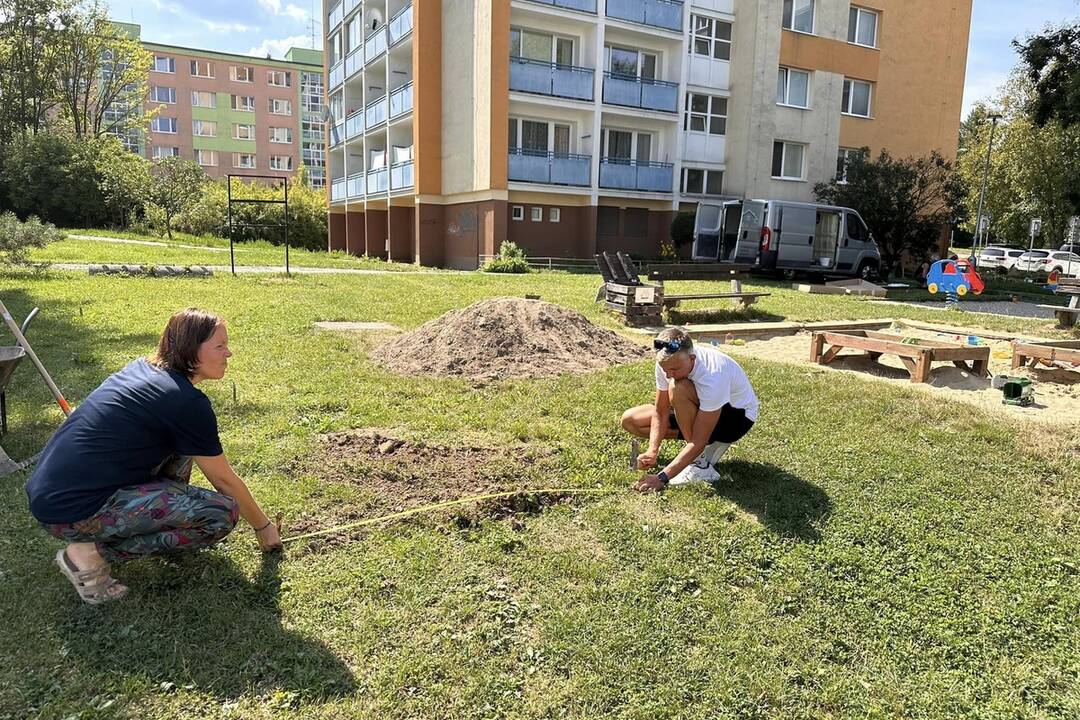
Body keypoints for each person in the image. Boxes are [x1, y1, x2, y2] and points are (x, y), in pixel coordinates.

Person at [26, 308, 282, 604]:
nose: (229, 353)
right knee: (220, 514)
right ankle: (88, 552)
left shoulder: (144, 368)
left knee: (185, 448)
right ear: (190, 351)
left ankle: (162, 523)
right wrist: (263, 527)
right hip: (71, 512)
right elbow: (223, 480)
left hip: (52, 493)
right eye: (220, 346)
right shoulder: (186, 403)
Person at [621, 327, 759, 493]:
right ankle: (695, 450)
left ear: (692, 358)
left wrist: (661, 478)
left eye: (674, 370)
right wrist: (652, 451)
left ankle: (700, 465)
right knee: (632, 420)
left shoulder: (712, 375)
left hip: (736, 420)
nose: (669, 373)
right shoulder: (668, 362)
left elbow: (698, 441)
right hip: (702, 406)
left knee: (678, 388)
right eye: (665, 369)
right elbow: (661, 411)